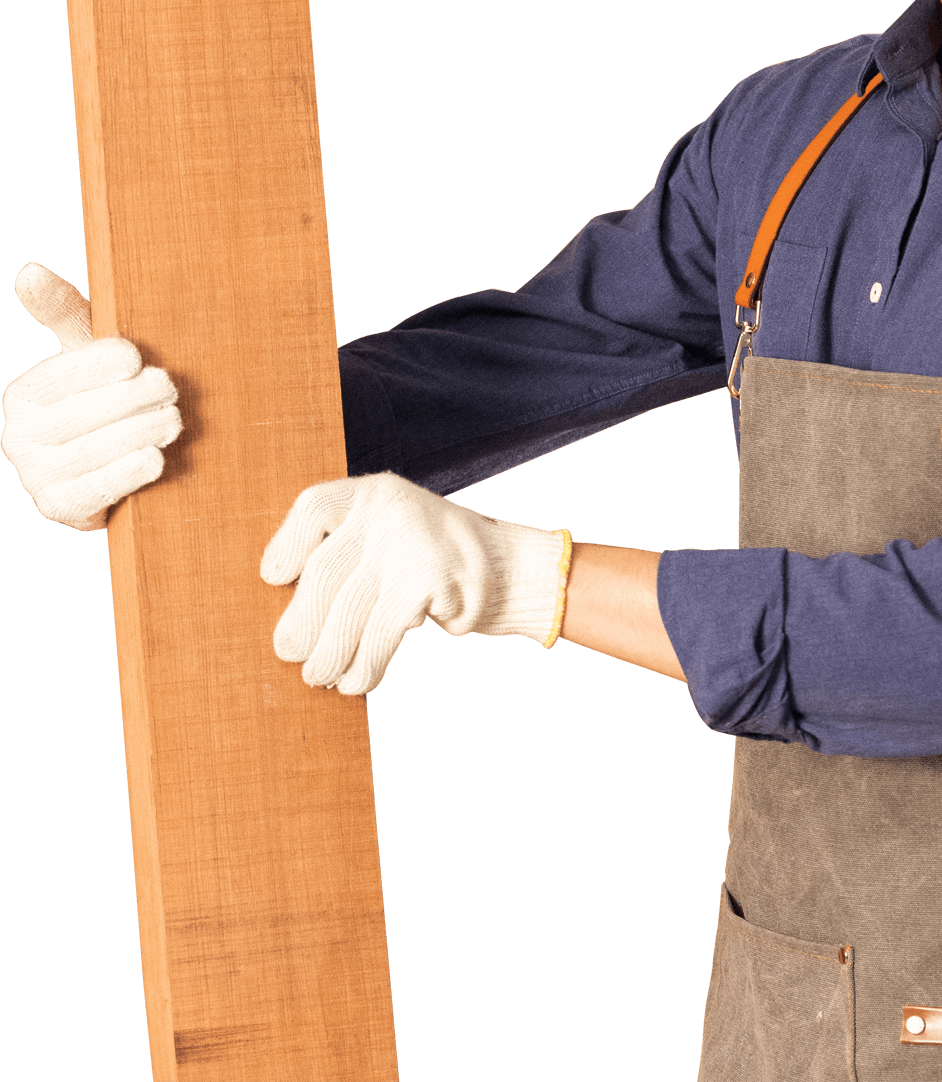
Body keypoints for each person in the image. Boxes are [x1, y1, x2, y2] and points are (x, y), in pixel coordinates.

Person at [4, 1, 940, 1078]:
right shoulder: (796, 127)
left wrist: (530, 579)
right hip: (804, 1005)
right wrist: (174, 427)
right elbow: (535, 353)